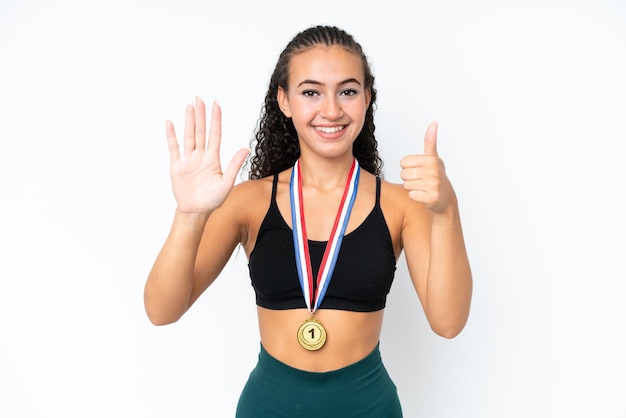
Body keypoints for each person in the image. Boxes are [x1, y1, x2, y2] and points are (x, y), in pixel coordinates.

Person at [144, 25, 472, 417]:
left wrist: (447, 210)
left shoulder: (402, 204)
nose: (331, 110)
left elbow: (448, 322)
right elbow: (161, 310)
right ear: (284, 100)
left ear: (367, 98)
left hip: (369, 408)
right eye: (311, 92)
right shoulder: (249, 201)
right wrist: (189, 215)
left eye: (347, 91)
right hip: (269, 407)